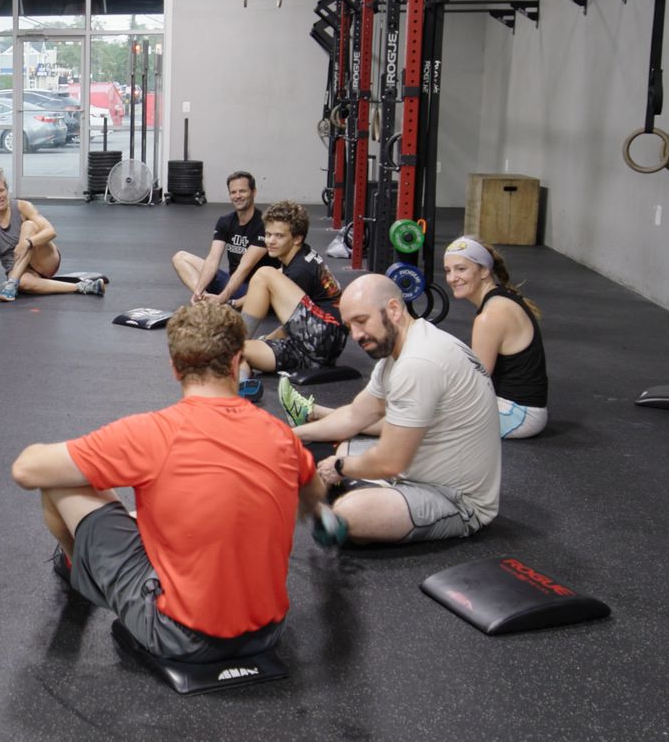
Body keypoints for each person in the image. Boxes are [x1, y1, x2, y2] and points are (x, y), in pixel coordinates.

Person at [9, 300, 324, 663]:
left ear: (174, 368)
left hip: (178, 636)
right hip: (267, 633)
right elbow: (313, 493)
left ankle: (77, 569)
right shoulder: (280, 435)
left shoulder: (152, 433)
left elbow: (25, 470)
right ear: (237, 362)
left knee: (61, 482)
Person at [292, 273, 501, 546]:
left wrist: (340, 467)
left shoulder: (418, 362)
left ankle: (349, 497)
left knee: (349, 510)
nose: (356, 335)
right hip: (416, 467)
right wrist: (287, 435)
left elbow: (390, 462)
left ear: (393, 309)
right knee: (330, 448)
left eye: (362, 321)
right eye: (350, 325)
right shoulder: (404, 348)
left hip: (456, 499)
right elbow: (354, 415)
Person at [443, 236, 549, 439]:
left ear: (484, 271)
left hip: (518, 414)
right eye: (448, 271)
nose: (452, 278)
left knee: (420, 418)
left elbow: (476, 383)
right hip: (514, 406)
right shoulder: (500, 297)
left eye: (461, 269)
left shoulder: (491, 316)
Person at [234, 200, 346, 378]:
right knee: (240, 353)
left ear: (297, 238)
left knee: (264, 274)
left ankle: (236, 341)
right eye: (268, 234)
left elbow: (289, 327)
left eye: (279, 236)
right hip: (311, 347)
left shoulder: (300, 270)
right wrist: (263, 342)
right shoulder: (301, 256)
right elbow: (295, 323)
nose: (270, 241)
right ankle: (242, 382)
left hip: (323, 336)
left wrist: (266, 340)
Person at [0, 168, 106, 302]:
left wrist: (26, 243)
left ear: (7, 190)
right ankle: (85, 287)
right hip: (20, 269)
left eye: (1, 190)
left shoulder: (23, 207)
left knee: (29, 225)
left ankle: (12, 282)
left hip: (45, 259)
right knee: (23, 284)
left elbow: (51, 231)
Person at [170, 171, 268, 302]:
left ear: (253, 192)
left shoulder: (264, 224)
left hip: (251, 289)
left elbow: (245, 267)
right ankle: (205, 300)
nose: (237, 196)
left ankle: (222, 301)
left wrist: (223, 297)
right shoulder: (225, 221)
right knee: (180, 257)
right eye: (233, 192)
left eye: (242, 191)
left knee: (258, 290)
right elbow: (213, 259)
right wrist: (199, 292)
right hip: (231, 281)